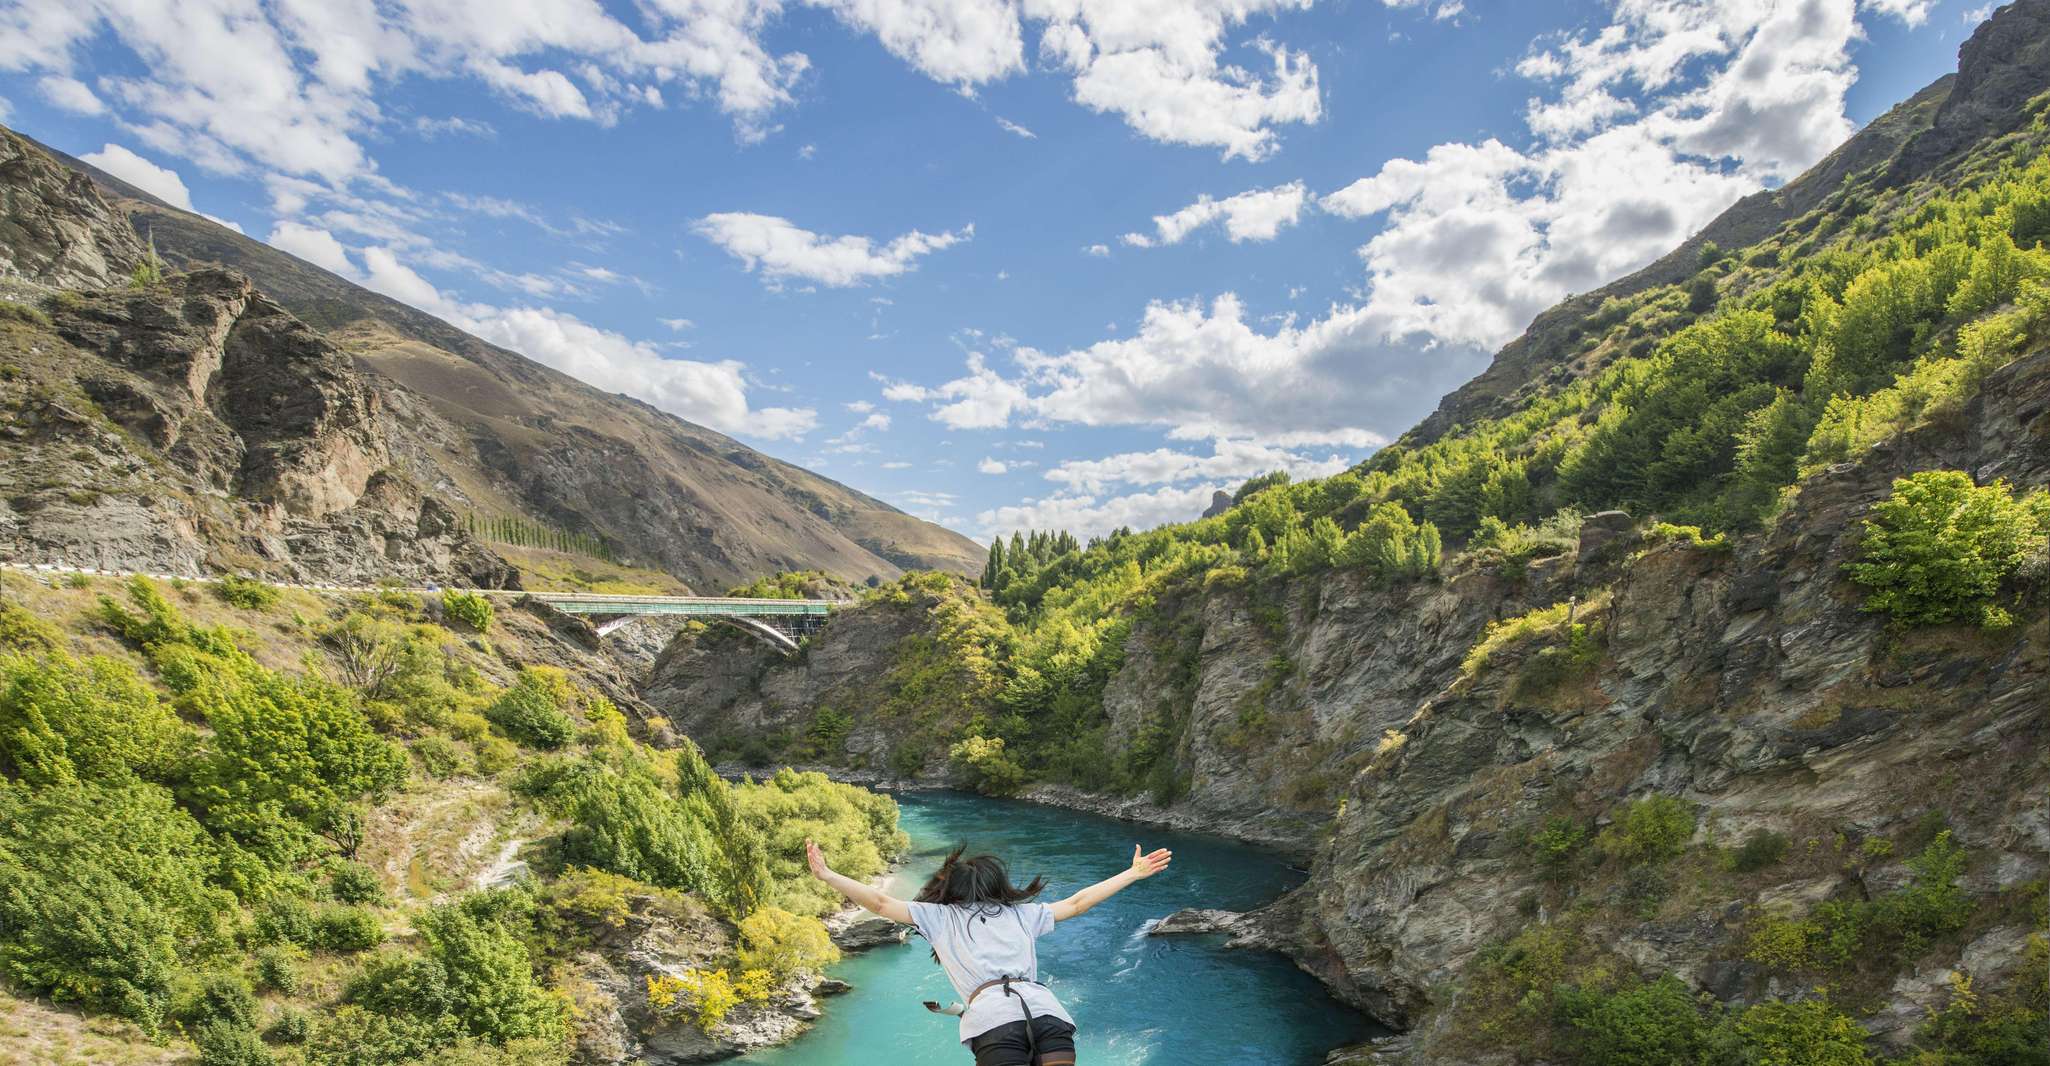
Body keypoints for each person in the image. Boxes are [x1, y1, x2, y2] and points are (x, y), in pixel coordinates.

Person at [805, 838, 1173, 1066]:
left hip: (995, 1024)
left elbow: (881, 903)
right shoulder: (1023, 913)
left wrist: (829, 875)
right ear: (999, 885)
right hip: (1048, 1014)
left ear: (950, 889)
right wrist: (1131, 874)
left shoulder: (937, 916)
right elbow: (1078, 903)